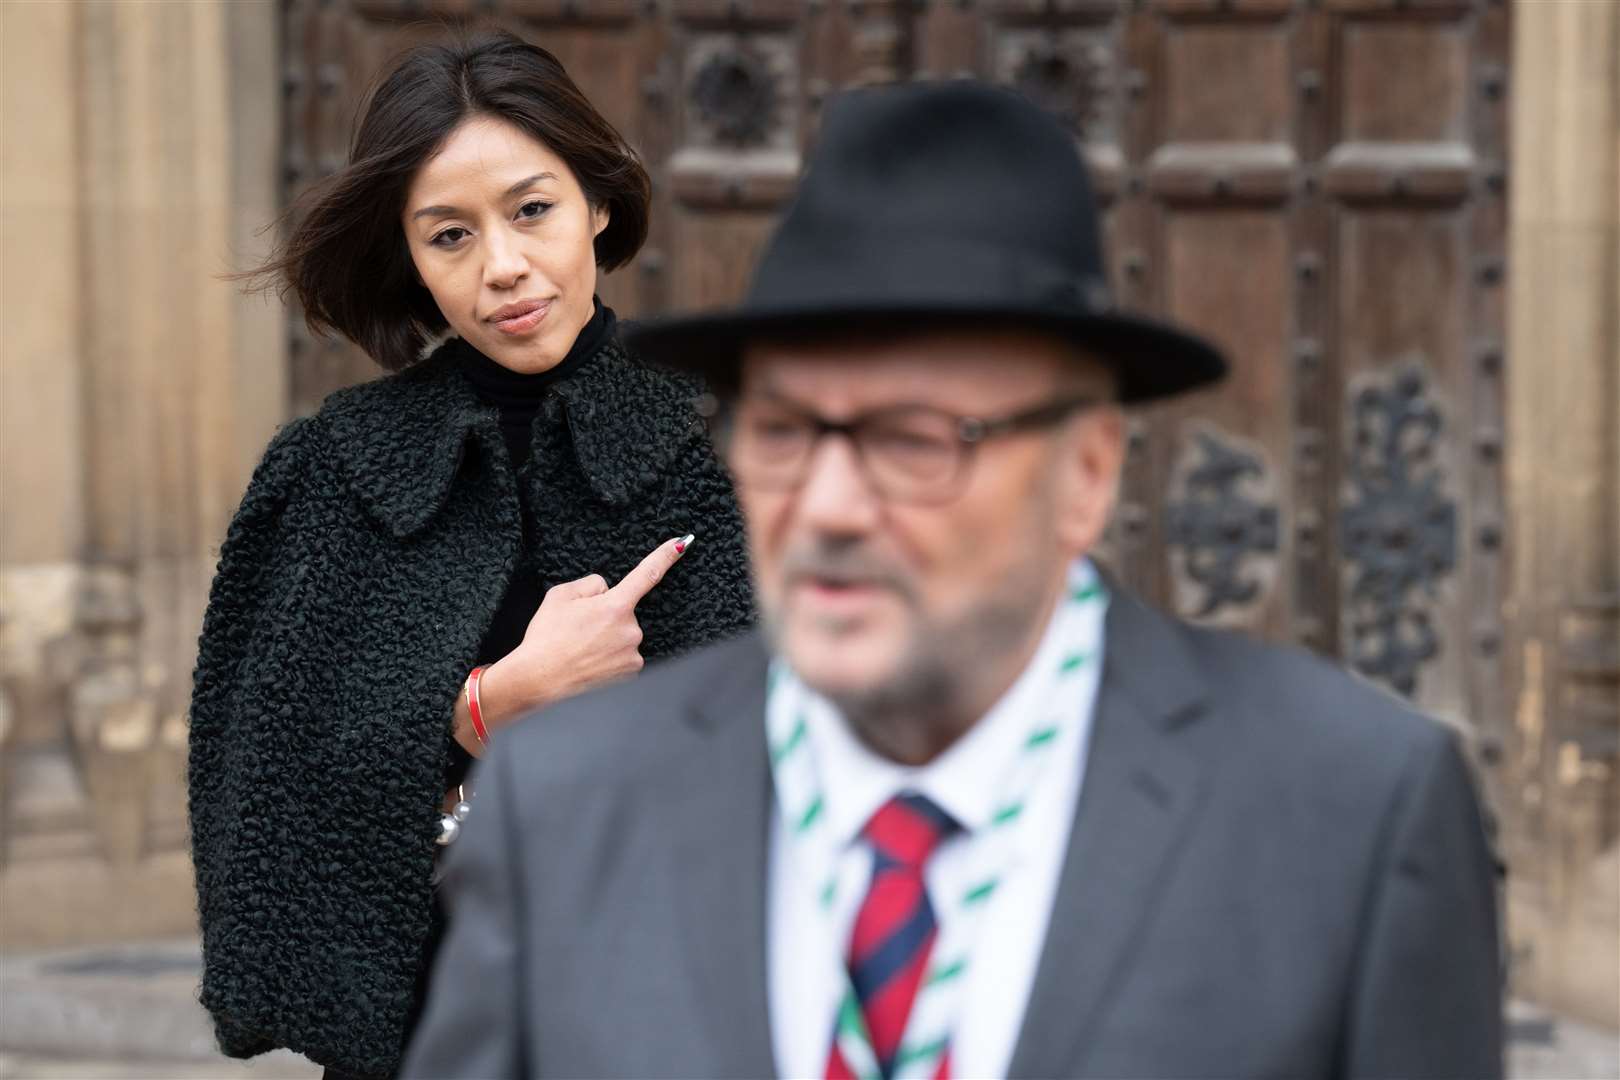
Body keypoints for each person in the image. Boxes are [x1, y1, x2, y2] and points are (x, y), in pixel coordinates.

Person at [402, 80, 1502, 1079]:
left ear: (1087, 469)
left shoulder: (1355, 817)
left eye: (915, 437)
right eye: (783, 430)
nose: (827, 505)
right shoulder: (563, 806)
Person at [186, 31, 753, 1080]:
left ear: (597, 204)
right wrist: (480, 712)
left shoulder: (731, 456)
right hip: (425, 1042)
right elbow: (257, 817)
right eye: (449, 236)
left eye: (532, 210)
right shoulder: (331, 474)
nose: (503, 267)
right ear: (410, 258)